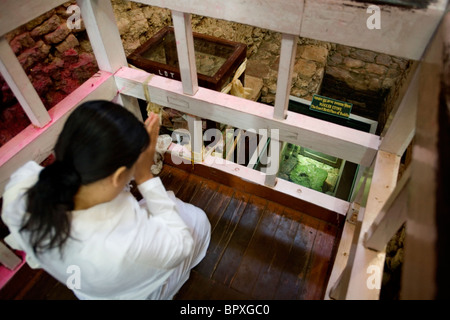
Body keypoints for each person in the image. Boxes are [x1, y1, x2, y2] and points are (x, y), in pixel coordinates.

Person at [1, 100, 211, 300]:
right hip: (132, 290)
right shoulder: (123, 246)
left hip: (89, 288)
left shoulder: (19, 190)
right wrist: (144, 175)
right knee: (198, 221)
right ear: (119, 176)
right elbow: (181, 244)